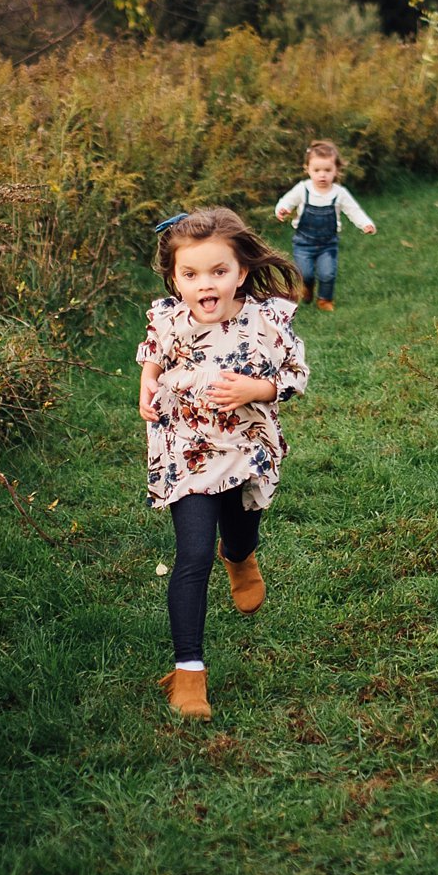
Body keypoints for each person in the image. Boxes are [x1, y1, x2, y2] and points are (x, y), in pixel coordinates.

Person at [138, 208, 311, 720]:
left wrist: (257, 388)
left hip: (245, 448)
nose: (204, 285)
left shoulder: (267, 321)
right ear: (174, 278)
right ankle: (189, 672)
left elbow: (296, 376)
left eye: (218, 272)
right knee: (191, 554)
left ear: (240, 272)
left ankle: (239, 556)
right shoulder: (168, 316)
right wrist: (148, 380)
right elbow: (153, 349)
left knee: (238, 530)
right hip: (184, 452)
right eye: (190, 275)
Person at [273, 140, 376, 311]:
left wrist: (365, 224)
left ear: (336, 170)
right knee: (304, 272)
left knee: (327, 273)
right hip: (303, 242)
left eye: (327, 170)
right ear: (307, 169)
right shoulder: (303, 189)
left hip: (328, 244)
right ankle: (307, 286)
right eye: (317, 170)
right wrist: (282, 209)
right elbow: (286, 201)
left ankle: (324, 299)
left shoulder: (339, 193)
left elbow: (353, 210)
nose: (322, 175)